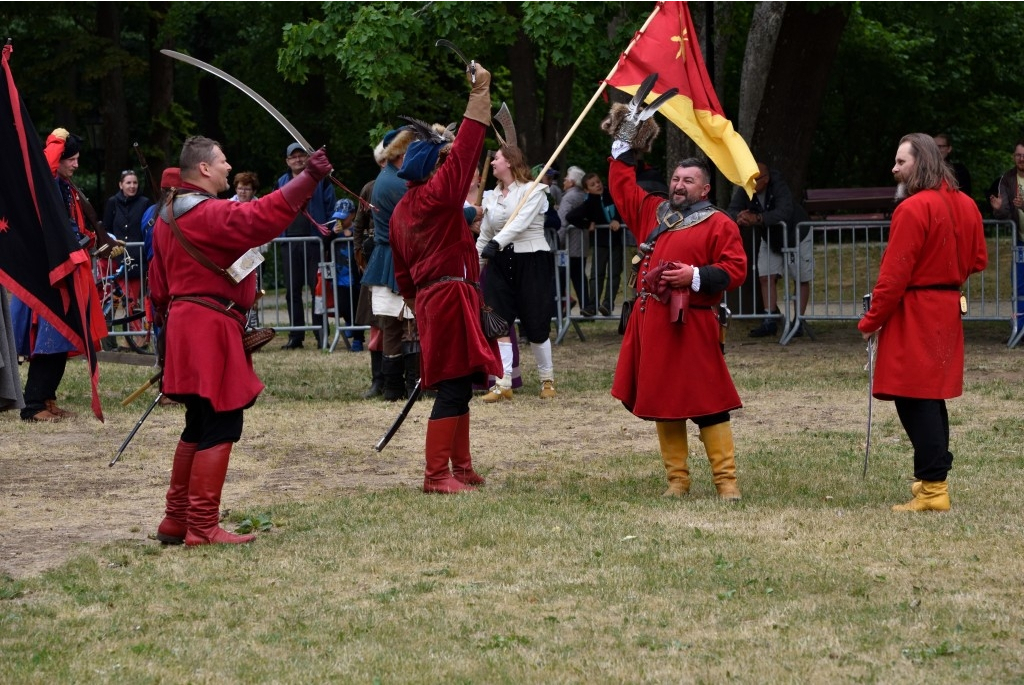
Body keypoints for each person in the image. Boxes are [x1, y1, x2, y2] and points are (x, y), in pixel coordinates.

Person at [148, 135, 333, 545]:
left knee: (197, 421)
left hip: (185, 325)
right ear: (204, 169)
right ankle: (201, 526)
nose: (229, 168)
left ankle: (176, 519)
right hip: (208, 327)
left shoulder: (165, 216)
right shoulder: (204, 212)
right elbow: (261, 217)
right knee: (222, 418)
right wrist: (308, 178)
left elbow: (157, 288)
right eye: (223, 161)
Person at [605, 110, 748, 499]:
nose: (679, 185)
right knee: (663, 401)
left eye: (688, 181)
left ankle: (726, 481)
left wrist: (694, 276)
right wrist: (626, 143)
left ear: (705, 190)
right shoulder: (653, 211)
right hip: (653, 323)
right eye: (676, 179)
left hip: (694, 323)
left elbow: (735, 270)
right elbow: (622, 187)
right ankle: (677, 481)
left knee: (708, 400)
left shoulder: (720, 224)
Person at [389, 63, 503, 494]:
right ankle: (437, 475)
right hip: (449, 298)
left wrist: (421, 306)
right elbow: (468, 151)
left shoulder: (405, 209)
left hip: (439, 300)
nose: (450, 167)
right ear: (431, 169)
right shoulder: (436, 197)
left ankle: (461, 465)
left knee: (459, 385)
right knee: (454, 388)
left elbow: (404, 276)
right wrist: (480, 95)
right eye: (443, 162)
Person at [859, 133, 987, 513]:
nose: (894, 168)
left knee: (915, 398)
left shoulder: (913, 209)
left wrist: (870, 320)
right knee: (928, 396)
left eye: (901, 162)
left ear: (923, 162)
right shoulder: (966, 204)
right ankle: (932, 480)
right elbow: (978, 260)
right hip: (946, 306)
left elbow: (893, 275)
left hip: (915, 309)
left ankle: (934, 487)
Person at [10, 128, 111, 422]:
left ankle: (46, 398)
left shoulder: (64, 186)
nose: (76, 165)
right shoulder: (48, 183)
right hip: (50, 277)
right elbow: (48, 169)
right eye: (73, 159)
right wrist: (58, 140)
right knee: (50, 341)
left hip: (64, 272)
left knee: (61, 339)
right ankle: (33, 405)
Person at [476, 140, 557, 401]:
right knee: (498, 320)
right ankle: (503, 382)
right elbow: (486, 233)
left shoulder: (533, 191)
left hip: (531, 259)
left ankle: (547, 380)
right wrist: (475, 267)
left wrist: (495, 243)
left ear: (508, 162)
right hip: (500, 262)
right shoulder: (491, 196)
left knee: (536, 321)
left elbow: (520, 224)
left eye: (496, 158)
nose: (492, 162)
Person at [362, 126, 420, 400]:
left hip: (390, 256)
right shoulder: (398, 182)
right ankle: (407, 388)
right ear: (401, 152)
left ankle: (398, 388)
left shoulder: (391, 177)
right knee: (406, 325)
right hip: (397, 258)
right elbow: (427, 213)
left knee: (396, 327)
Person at [727, 162, 813, 338]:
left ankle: (799, 321)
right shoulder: (747, 187)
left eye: (754, 181)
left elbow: (784, 211)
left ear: (765, 179)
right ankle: (769, 319)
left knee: (801, 277)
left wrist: (757, 218)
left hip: (796, 233)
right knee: (765, 275)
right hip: (770, 236)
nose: (749, 185)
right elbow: (732, 210)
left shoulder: (778, 185)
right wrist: (740, 217)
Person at [276, 142, 335, 349]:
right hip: (289, 242)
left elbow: (331, 210)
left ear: (308, 159)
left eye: (302, 156)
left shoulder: (321, 181)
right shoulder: (281, 182)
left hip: (315, 243)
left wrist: (326, 236)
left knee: (317, 289)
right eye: (293, 157)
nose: (298, 160)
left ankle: (321, 334)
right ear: (287, 161)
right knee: (292, 290)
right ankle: (296, 336)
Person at [353, 141, 387, 397]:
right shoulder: (370, 188)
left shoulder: (409, 185)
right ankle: (378, 380)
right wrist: (360, 256)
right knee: (376, 322)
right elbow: (358, 225)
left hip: (400, 258)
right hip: (376, 258)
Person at [566, 173, 624, 317]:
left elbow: (622, 207)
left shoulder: (612, 194)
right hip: (600, 243)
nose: (597, 185)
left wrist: (617, 219)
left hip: (616, 242)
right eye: (592, 185)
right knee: (597, 274)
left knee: (614, 273)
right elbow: (571, 216)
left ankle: (607, 303)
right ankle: (592, 304)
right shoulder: (589, 203)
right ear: (587, 190)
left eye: (598, 182)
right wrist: (587, 224)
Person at [102, 169, 151, 316]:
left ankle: (135, 335)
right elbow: (106, 229)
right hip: (117, 259)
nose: (132, 186)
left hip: (137, 260)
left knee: (131, 301)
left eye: (135, 182)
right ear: (120, 185)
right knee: (115, 300)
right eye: (128, 183)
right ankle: (110, 335)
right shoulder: (112, 202)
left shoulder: (144, 203)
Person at [328, 198, 365, 350]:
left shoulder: (358, 229)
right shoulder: (333, 230)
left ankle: (358, 340)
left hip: (356, 277)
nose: (340, 220)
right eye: (338, 216)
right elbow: (323, 244)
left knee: (357, 308)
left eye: (344, 217)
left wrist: (352, 235)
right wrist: (331, 235)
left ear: (353, 215)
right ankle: (349, 323)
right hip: (339, 277)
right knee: (343, 306)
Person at [557, 165, 590, 315]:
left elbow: (562, 221)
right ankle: (586, 306)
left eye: (566, 178)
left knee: (560, 278)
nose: (564, 181)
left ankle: (557, 308)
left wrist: (558, 240)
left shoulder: (568, 197)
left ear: (572, 182)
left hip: (568, 247)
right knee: (579, 277)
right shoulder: (583, 196)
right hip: (581, 245)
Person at [933, 133, 972, 199]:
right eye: (934, 146)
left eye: (940, 146)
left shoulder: (959, 171)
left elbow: (965, 195)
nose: (937, 149)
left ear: (949, 149)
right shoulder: (923, 170)